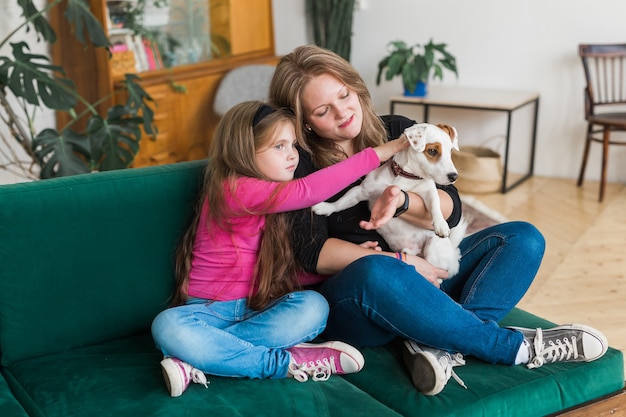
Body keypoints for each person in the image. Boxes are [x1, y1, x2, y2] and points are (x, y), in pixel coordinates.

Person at [268, 45, 609, 396]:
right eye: (324, 110)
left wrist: (402, 203)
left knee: (524, 238)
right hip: (362, 299)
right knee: (376, 271)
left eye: (344, 95)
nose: (343, 113)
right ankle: (512, 348)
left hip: (429, 270)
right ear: (304, 120)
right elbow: (311, 252)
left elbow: (452, 207)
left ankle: (435, 343)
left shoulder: (399, 131)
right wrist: (402, 263)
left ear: (356, 87)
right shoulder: (300, 163)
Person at [150, 100, 408, 397]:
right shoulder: (232, 189)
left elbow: (287, 268)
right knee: (167, 325)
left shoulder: (276, 200)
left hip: (258, 309)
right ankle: (282, 362)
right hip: (206, 313)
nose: (292, 156)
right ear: (245, 151)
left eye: (293, 145)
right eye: (279, 147)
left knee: (314, 305)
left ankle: (197, 359)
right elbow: (309, 190)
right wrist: (384, 151)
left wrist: (350, 258)